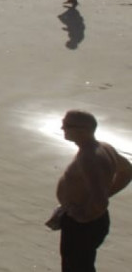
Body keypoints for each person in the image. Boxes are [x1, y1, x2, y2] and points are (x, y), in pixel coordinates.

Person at [52, 110, 132, 272]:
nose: (62, 128)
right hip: (92, 221)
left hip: (84, 225)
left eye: (67, 125)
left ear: (84, 130)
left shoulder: (89, 158)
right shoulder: (102, 147)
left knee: (76, 267)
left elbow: (100, 200)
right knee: (80, 264)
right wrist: (108, 192)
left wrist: (82, 216)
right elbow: (127, 171)